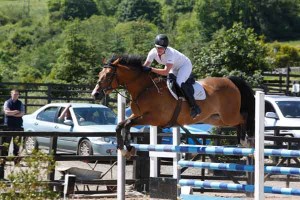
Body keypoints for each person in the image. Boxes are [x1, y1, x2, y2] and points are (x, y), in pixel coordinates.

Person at [142, 34, 201, 118]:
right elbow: (145, 66)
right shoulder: (152, 52)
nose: (159, 49)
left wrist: (151, 69)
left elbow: (166, 72)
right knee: (166, 82)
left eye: (161, 48)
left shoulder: (170, 53)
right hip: (173, 67)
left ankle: (195, 107)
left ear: (165, 48)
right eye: (157, 47)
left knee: (179, 82)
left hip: (184, 65)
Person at [3, 89, 25, 161]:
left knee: (17, 145)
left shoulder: (20, 103)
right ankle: (3, 160)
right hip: (8, 126)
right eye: (14, 94)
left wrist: (11, 113)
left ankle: (16, 160)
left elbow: (22, 114)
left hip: (18, 126)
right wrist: (15, 112)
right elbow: (6, 112)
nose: (16, 96)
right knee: (6, 144)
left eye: (17, 94)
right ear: (11, 94)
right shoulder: (7, 102)